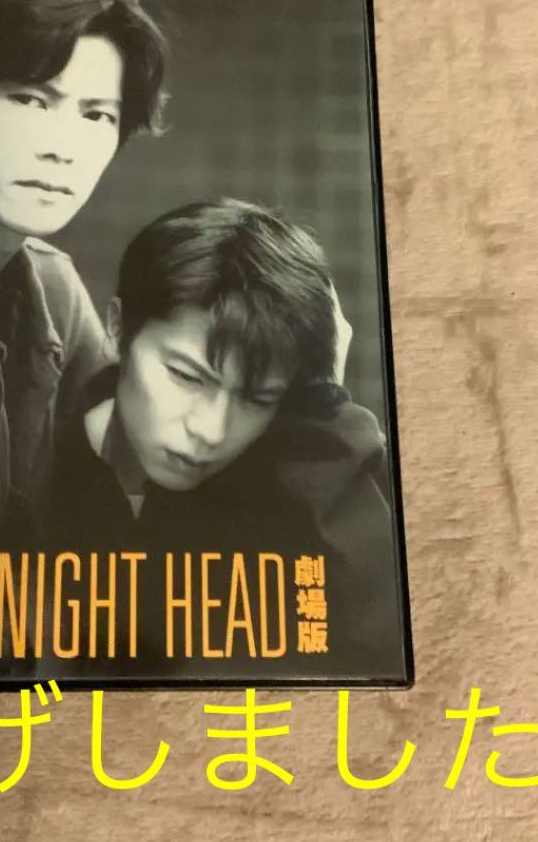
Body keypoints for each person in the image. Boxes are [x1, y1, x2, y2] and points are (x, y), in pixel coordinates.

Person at [40, 199, 405, 680]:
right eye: (186, 376)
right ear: (117, 327)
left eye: (257, 398)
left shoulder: (305, 483)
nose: (210, 431)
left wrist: (321, 408)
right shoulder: (31, 464)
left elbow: (384, 657)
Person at [0, 0, 169, 682]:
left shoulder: (54, 292)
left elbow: (130, 538)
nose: (64, 148)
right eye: (32, 99)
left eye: (97, 115)